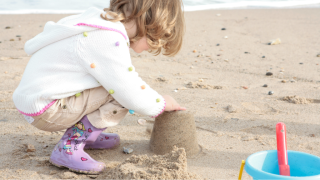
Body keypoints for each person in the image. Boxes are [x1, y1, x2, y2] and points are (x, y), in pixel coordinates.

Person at [12, 0, 185, 174]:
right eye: (156, 42)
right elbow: (129, 91)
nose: (151, 48)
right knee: (120, 94)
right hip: (47, 109)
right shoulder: (108, 37)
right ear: (152, 25)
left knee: (111, 82)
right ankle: (70, 146)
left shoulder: (96, 23)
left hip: (34, 101)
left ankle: (88, 135)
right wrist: (160, 103)